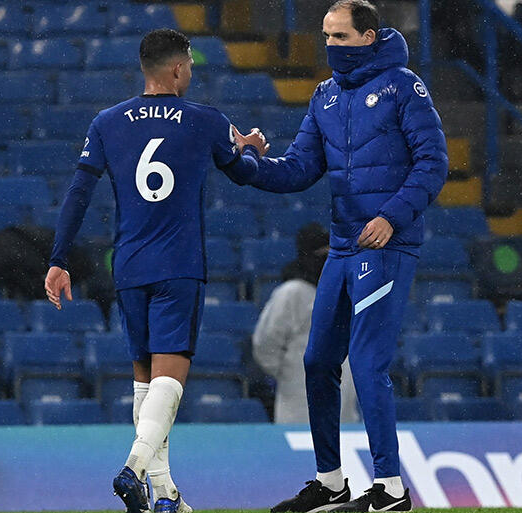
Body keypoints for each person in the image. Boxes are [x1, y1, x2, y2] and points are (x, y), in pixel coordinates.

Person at [233, 1, 448, 511]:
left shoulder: (404, 86)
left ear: (369, 36)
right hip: (344, 244)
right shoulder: (325, 96)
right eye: (326, 36)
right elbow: (298, 169)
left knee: (368, 362)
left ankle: (390, 488)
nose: (331, 45)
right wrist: (248, 162)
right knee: (317, 361)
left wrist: (391, 217)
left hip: (386, 244)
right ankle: (331, 481)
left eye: (341, 36)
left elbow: (433, 162)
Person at [43, 29, 262, 513]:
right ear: (178, 68)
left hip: (130, 264)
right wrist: (250, 147)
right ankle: (133, 469)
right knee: (171, 378)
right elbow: (244, 173)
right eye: (191, 66)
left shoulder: (107, 122)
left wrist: (58, 259)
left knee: (145, 382)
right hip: (179, 264)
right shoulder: (206, 120)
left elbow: (79, 193)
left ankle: (165, 496)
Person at [253, 223, 359, 424]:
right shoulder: (291, 293)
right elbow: (265, 345)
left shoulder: (345, 294)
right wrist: (292, 373)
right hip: (299, 408)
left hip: (344, 410)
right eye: (321, 255)